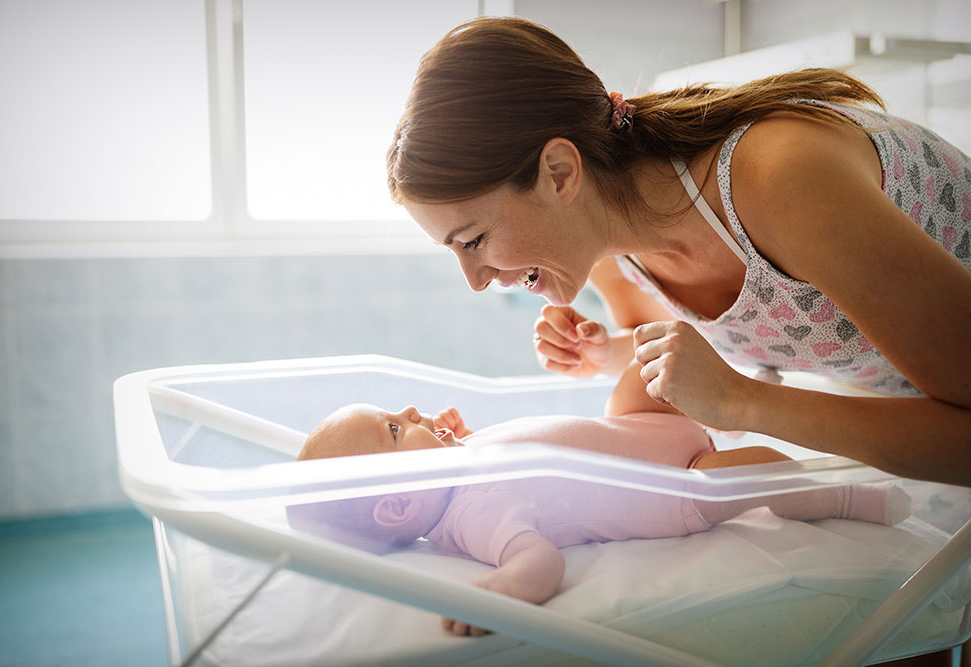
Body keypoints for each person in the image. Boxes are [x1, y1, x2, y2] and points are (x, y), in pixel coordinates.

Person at [384, 17, 971, 487]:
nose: (476, 280)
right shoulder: (611, 241)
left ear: (560, 173)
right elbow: (682, 377)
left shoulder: (781, 179)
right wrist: (612, 355)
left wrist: (745, 403)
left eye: (474, 241)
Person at [294, 361, 911, 637]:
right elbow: (540, 562)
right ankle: (844, 496)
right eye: (394, 430)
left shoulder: (457, 466)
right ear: (398, 508)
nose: (407, 411)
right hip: (678, 481)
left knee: (647, 358)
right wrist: (503, 593)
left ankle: (741, 381)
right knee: (753, 474)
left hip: (637, 425)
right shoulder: (475, 519)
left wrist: (456, 434)